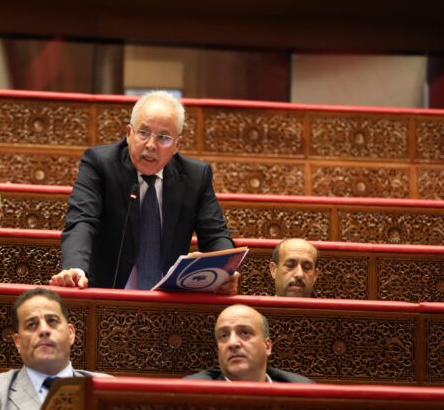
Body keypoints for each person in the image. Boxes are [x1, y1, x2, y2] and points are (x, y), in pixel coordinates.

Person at [51, 91, 236, 291]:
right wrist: (76, 268)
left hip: (170, 298)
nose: (150, 145)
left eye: (163, 138)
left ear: (177, 145)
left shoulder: (195, 177)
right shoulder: (100, 164)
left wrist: (225, 269)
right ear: (129, 134)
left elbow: (215, 235)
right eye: (143, 133)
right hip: (108, 294)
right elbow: (82, 221)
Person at [0, 288, 109, 409]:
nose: (43, 330)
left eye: (52, 321)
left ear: (71, 334)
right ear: (18, 342)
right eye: (31, 325)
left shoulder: (105, 387)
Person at [185, 304, 313, 383]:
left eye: (245, 333)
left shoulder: (300, 392)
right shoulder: (194, 393)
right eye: (224, 335)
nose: (232, 343)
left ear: (267, 346)